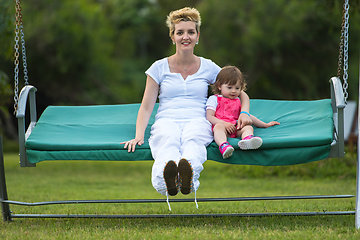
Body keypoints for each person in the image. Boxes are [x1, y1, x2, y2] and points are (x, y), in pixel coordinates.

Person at [121, 7, 253, 206]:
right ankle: (167, 178)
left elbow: (239, 90)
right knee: (168, 140)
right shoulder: (158, 68)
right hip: (167, 119)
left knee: (193, 141)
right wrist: (139, 135)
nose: (186, 37)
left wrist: (244, 112)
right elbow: (147, 107)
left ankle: (187, 176)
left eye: (191, 32)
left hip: (198, 119)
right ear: (172, 36)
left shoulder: (209, 67)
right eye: (180, 32)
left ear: (197, 36)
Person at [206, 66, 280, 159]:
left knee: (248, 126)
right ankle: (223, 145)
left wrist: (264, 124)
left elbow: (248, 116)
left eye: (237, 88)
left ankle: (248, 140)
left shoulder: (238, 100)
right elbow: (210, 116)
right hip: (222, 127)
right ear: (219, 86)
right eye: (229, 87)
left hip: (236, 128)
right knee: (218, 127)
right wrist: (224, 124)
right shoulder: (214, 99)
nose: (233, 91)